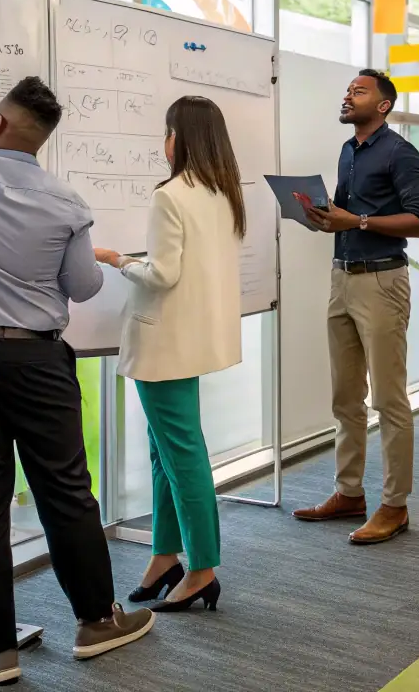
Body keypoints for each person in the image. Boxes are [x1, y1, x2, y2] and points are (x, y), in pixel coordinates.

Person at [0, 61, 153, 685]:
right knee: (65, 491)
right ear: (41, 139)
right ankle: (96, 622)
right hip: (37, 359)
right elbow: (84, 285)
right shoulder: (66, 200)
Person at [94, 96, 244, 613]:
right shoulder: (223, 193)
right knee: (166, 451)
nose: (163, 142)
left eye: (165, 132)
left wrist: (118, 258)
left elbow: (162, 274)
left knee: (181, 454)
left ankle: (202, 568)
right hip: (193, 340)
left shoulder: (171, 195)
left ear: (177, 139)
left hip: (164, 344)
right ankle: (166, 557)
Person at [292, 70, 419, 544]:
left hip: (382, 281)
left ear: (385, 105)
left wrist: (359, 220)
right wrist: (321, 214)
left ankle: (395, 505)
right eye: (349, 90)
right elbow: (348, 214)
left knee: (389, 399)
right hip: (342, 277)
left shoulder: (401, 153)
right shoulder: (349, 150)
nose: (348, 96)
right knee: (345, 397)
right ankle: (349, 493)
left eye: (359, 91)